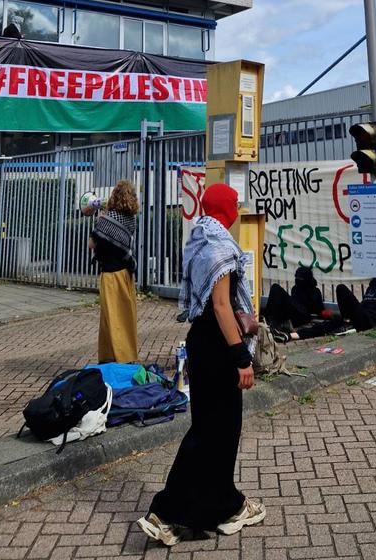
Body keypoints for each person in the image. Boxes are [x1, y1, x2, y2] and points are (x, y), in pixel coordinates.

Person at [138, 182, 265, 548]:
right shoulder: (222, 246)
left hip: (202, 342)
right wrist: (241, 357)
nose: (238, 210)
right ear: (227, 210)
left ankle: (222, 507)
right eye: (235, 205)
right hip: (218, 345)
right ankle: (166, 510)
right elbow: (222, 306)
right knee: (214, 432)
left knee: (215, 431)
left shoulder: (198, 240)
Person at [88, 179, 139, 364]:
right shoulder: (131, 220)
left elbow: (92, 244)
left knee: (111, 319)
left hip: (109, 275)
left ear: (114, 196)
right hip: (126, 274)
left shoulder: (106, 220)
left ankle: (114, 357)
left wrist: (100, 221)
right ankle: (127, 355)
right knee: (126, 316)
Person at [264, 265, 340, 341]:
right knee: (275, 289)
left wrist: (333, 315)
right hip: (294, 313)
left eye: (300, 278)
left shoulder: (315, 292)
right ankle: (269, 321)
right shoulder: (295, 289)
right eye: (296, 278)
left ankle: (272, 324)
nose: (297, 280)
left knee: (276, 288)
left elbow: (320, 310)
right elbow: (293, 305)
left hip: (303, 316)